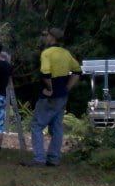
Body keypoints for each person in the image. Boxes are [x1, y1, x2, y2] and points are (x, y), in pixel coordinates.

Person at [24, 27, 81, 167]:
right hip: (62, 95)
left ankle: (39, 158)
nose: (45, 38)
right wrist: (67, 87)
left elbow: (45, 73)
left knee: (37, 125)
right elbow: (78, 71)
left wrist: (49, 88)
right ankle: (53, 158)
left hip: (48, 96)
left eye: (47, 35)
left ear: (51, 38)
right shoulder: (66, 54)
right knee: (56, 127)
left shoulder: (47, 53)